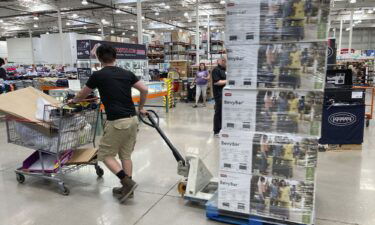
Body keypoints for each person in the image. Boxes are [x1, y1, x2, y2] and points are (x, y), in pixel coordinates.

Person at [71, 44, 149, 203]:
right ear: (116, 57)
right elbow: (144, 89)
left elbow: (82, 94)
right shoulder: (127, 73)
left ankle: (127, 183)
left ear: (99, 59)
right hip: (132, 119)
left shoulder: (98, 75)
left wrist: (74, 100)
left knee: (105, 155)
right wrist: (141, 107)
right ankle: (127, 188)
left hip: (117, 121)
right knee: (125, 155)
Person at [212, 58, 227, 136]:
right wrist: (229, 81)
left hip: (225, 94)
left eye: (225, 61)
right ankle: (216, 131)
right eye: (223, 60)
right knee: (218, 112)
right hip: (219, 95)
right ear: (219, 61)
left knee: (223, 113)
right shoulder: (216, 70)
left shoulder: (224, 70)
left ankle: (222, 128)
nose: (225, 62)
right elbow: (217, 82)